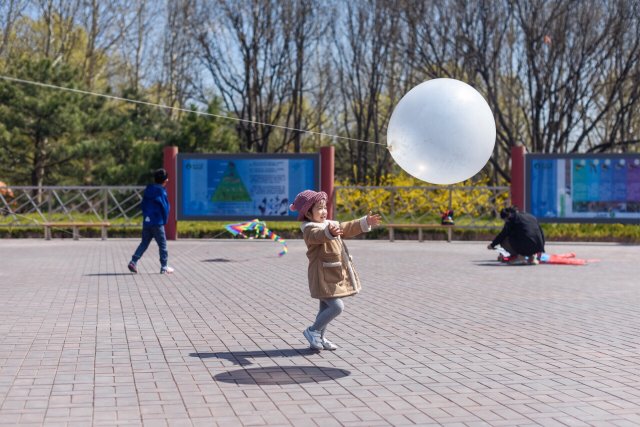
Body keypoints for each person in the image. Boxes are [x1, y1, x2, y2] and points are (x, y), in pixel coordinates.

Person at [290, 189, 381, 351]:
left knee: (325, 308)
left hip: (331, 274)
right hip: (321, 276)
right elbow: (318, 236)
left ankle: (320, 338)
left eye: (324, 207)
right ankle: (312, 331)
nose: (323, 211)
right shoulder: (309, 228)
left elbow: (346, 227)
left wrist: (364, 222)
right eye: (319, 208)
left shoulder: (329, 224)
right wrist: (328, 232)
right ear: (308, 213)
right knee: (337, 307)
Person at [127, 168, 174, 274]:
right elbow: (165, 207)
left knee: (144, 243)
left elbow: (143, 205)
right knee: (162, 245)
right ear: (165, 180)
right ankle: (164, 266)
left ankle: (133, 261)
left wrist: (146, 216)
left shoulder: (148, 190)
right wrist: (164, 220)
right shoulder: (161, 191)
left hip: (147, 221)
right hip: (157, 222)